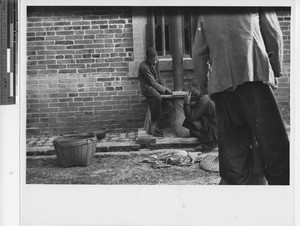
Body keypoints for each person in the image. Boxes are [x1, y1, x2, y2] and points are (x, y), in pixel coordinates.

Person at [192, 7, 289, 185]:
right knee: (272, 142)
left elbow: (198, 54)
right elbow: (274, 34)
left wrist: (205, 87)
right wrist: (275, 70)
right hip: (255, 76)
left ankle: (237, 190)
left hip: (222, 85)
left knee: (233, 146)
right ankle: (283, 190)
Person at [138, 47, 173, 137]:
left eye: (155, 58)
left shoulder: (157, 61)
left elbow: (158, 77)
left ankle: (157, 124)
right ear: (148, 59)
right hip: (147, 87)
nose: (154, 61)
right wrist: (164, 90)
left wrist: (164, 87)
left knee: (168, 102)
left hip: (155, 84)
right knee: (157, 96)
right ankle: (153, 126)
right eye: (152, 59)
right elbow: (152, 82)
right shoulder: (143, 67)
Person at [182, 78, 218, 152]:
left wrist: (186, 102)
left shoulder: (204, 99)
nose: (189, 90)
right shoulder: (202, 96)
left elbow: (191, 118)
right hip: (209, 124)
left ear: (197, 88)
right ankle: (203, 138)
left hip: (212, 128)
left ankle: (207, 140)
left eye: (190, 87)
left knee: (190, 121)